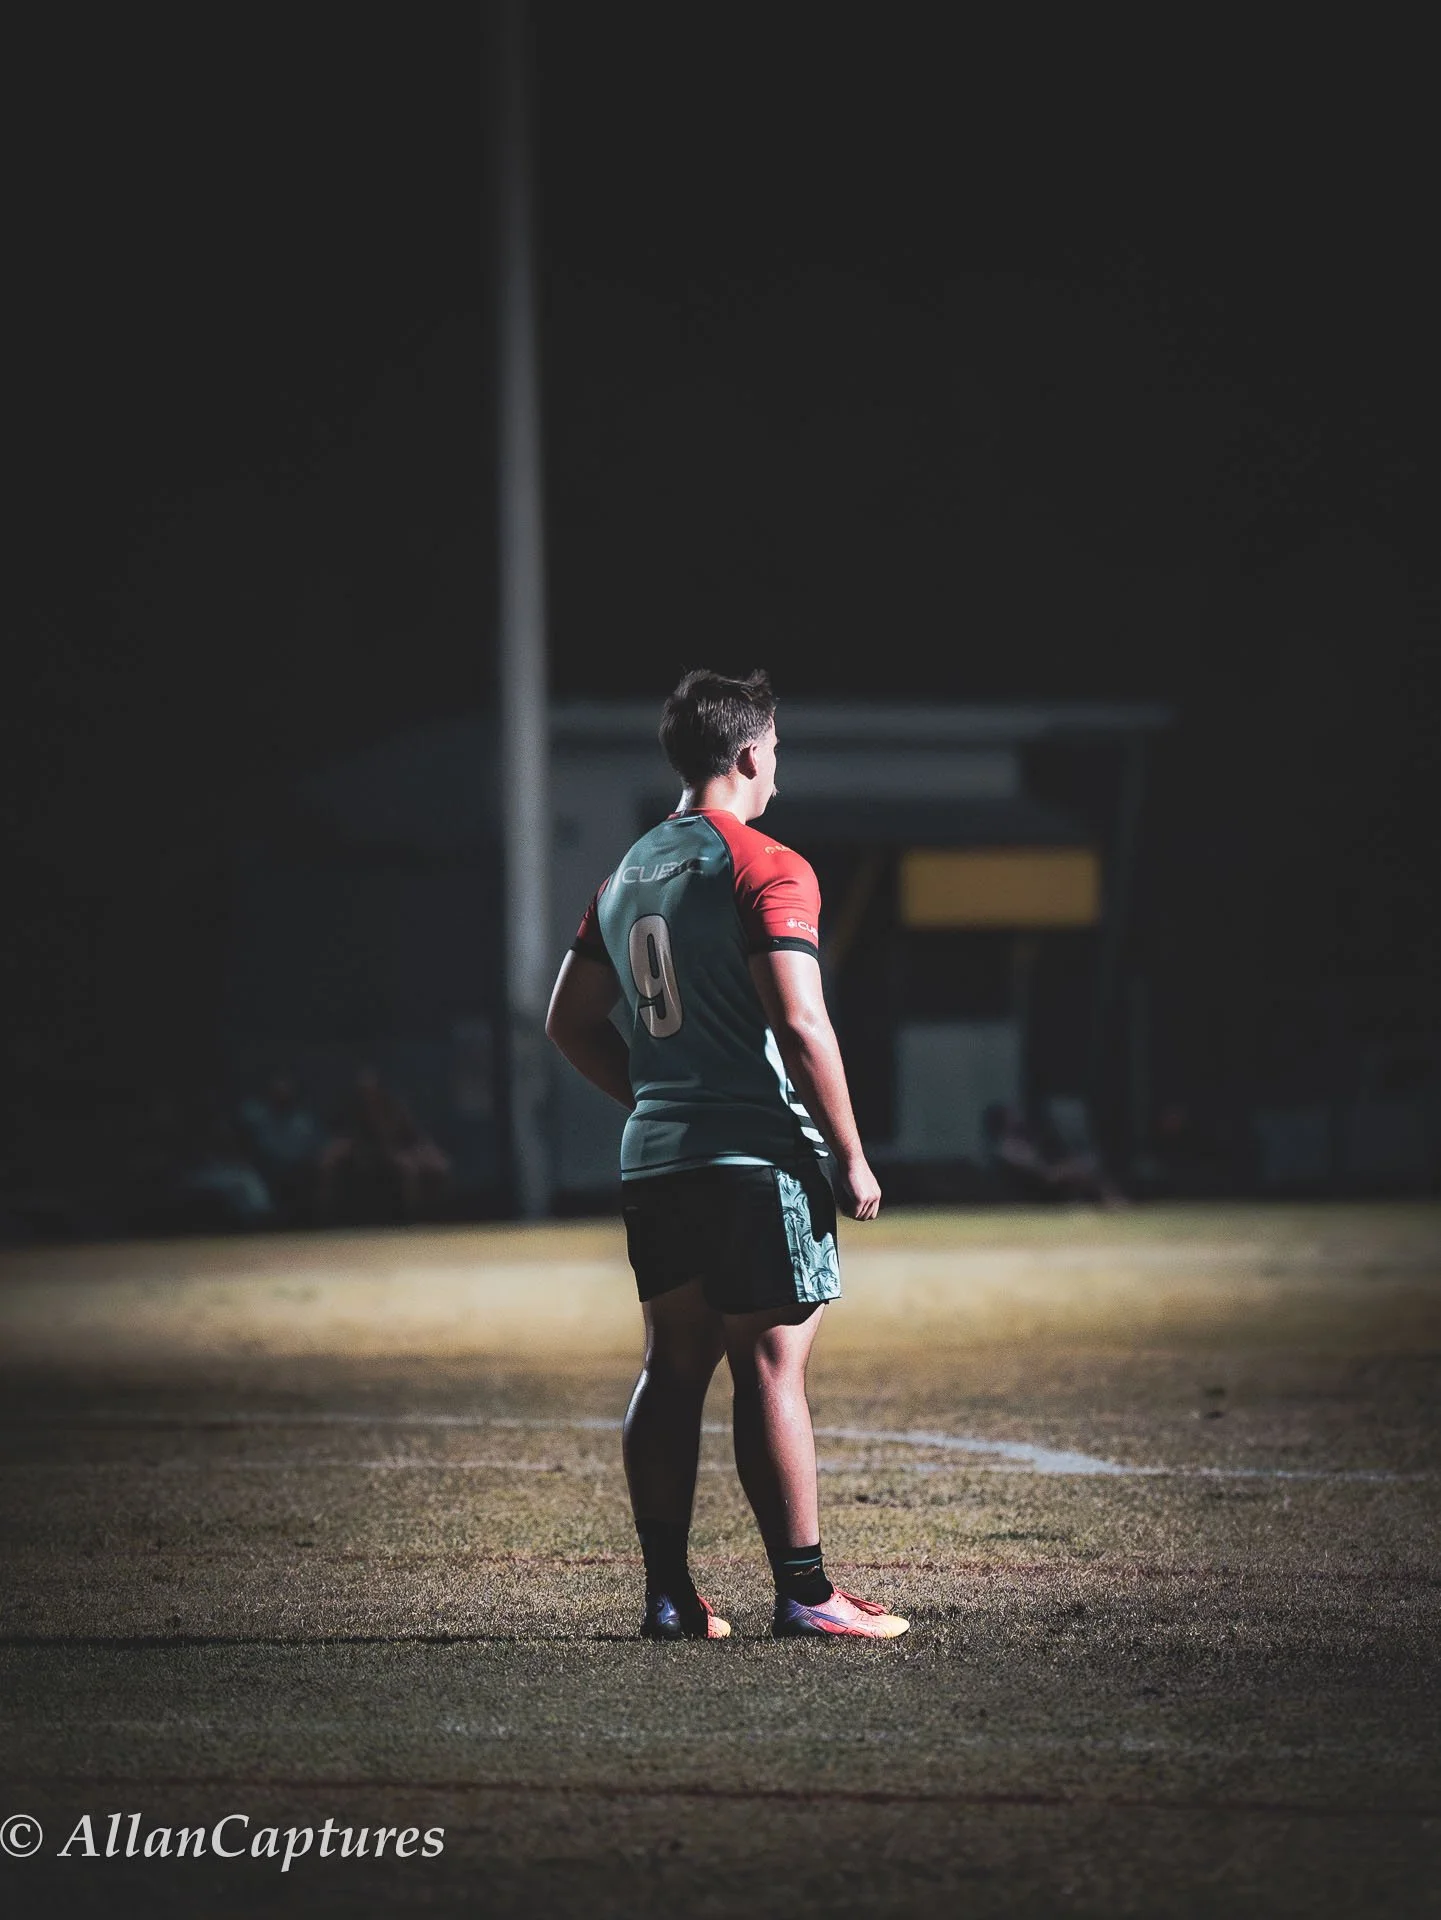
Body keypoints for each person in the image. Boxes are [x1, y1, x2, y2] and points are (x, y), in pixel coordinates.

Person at [545, 667, 908, 1642]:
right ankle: (805, 1592)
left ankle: (669, 1597)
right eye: (775, 754)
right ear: (750, 754)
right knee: (772, 1369)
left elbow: (567, 1021)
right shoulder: (766, 863)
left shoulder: (623, 874)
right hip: (754, 1159)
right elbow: (801, 1021)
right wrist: (853, 1155)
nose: (777, 771)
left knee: (672, 1365)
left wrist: (657, 1097)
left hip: (657, 1159)